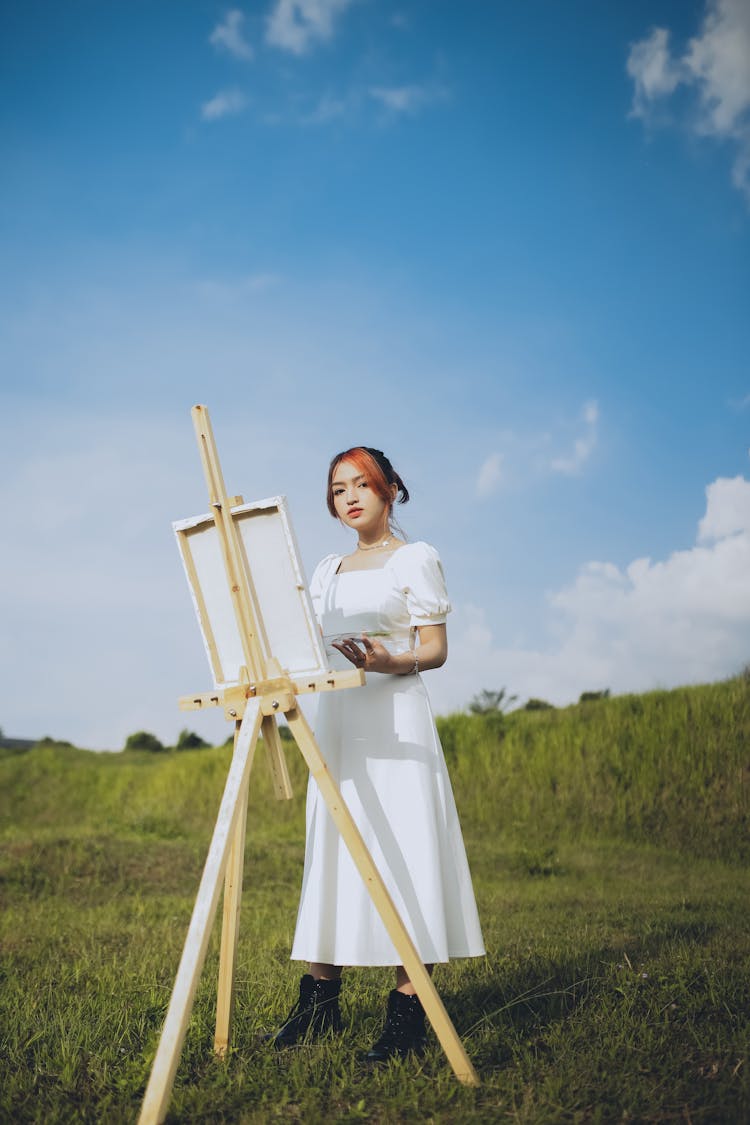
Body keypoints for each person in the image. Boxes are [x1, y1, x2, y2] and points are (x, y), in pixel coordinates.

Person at [271, 446, 485, 1061]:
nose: (351, 497)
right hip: (337, 719)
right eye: (339, 490)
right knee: (334, 847)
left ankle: (408, 1016)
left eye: (363, 484)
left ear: (391, 488)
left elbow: (436, 648)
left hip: (395, 714)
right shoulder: (326, 570)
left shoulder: (416, 558)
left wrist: (390, 661)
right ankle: (318, 1006)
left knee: (403, 849)